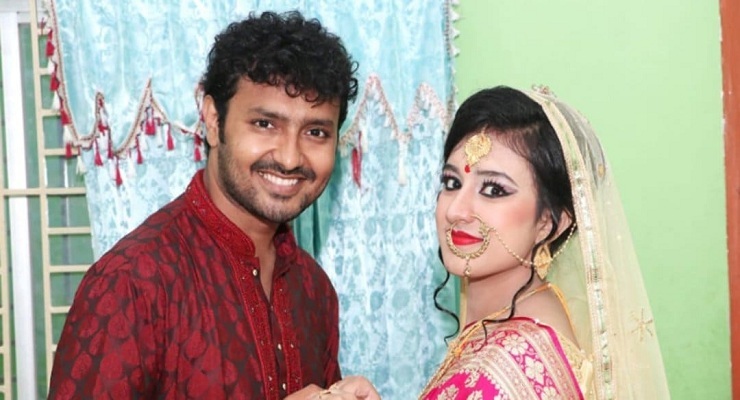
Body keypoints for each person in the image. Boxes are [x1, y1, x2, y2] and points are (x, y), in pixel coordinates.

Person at [48, 10, 359, 399]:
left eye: (315, 132)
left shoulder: (314, 290)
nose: (290, 157)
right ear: (213, 120)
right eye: (265, 124)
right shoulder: (132, 283)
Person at [323, 86, 670, 399]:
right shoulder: (525, 315)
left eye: (494, 190)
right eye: (452, 183)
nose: (456, 210)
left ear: (550, 222)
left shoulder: (509, 364)